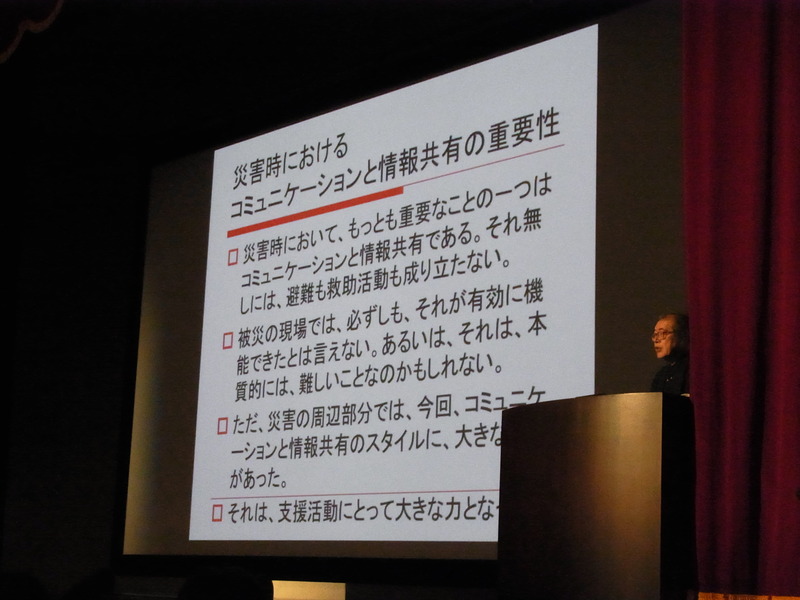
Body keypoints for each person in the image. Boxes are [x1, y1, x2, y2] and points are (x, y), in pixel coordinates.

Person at [650, 312, 690, 395]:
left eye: (662, 333)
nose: (656, 340)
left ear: (681, 335)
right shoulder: (661, 375)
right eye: (655, 334)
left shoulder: (695, 370)